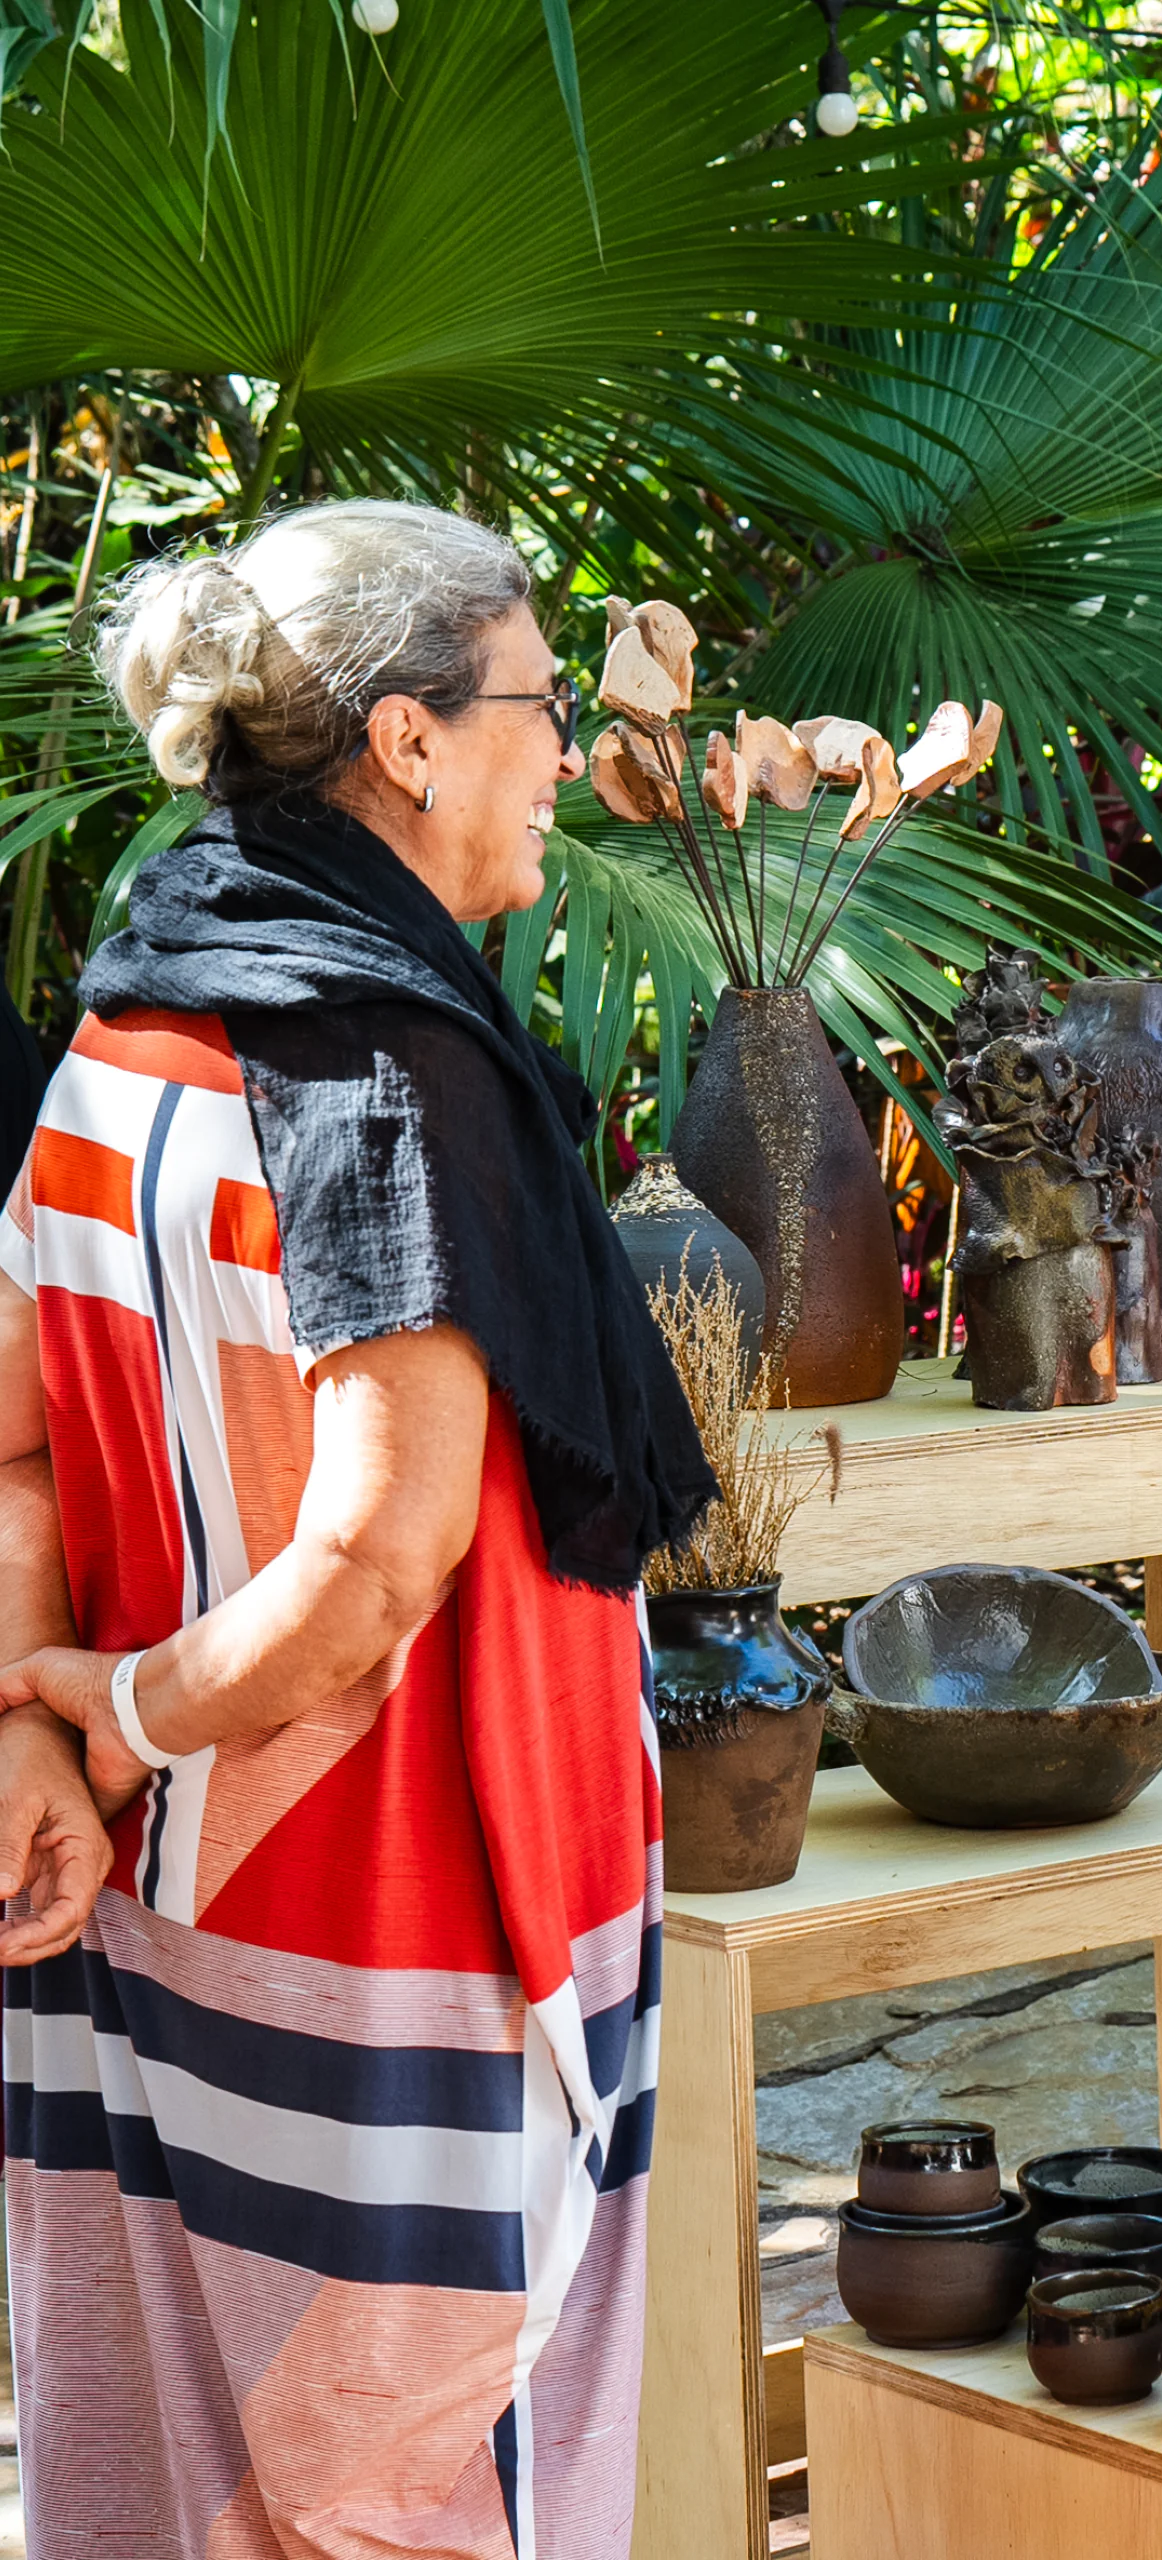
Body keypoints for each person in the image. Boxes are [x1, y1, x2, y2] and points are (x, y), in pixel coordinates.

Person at [0, 500, 717, 2555]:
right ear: (406, 738)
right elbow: (373, 1565)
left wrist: (33, 1738)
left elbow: (13, 1439)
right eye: (535, 705)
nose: (565, 751)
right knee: (396, 2491)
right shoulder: (374, 1058)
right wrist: (112, 1706)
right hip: (397, 1923)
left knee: (161, 2457)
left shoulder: (128, 1014)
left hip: (135, 1906)